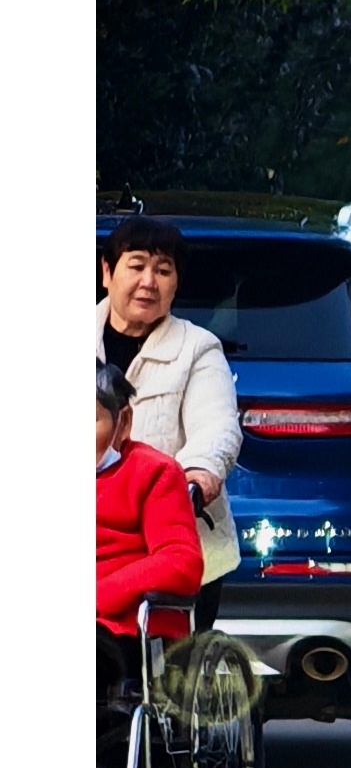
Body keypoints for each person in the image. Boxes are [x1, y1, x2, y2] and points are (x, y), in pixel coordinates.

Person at [97, 217, 243, 586]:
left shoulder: (198, 348)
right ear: (107, 271)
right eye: (137, 266)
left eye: (163, 270)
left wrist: (198, 474)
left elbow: (216, 425)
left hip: (173, 545)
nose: (149, 282)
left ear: (175, 283)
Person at [97, 353, 205, 629]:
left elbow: (182, 562)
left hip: (119, 627)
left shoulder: (154, 473)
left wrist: (101, 595)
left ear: (124, 421)